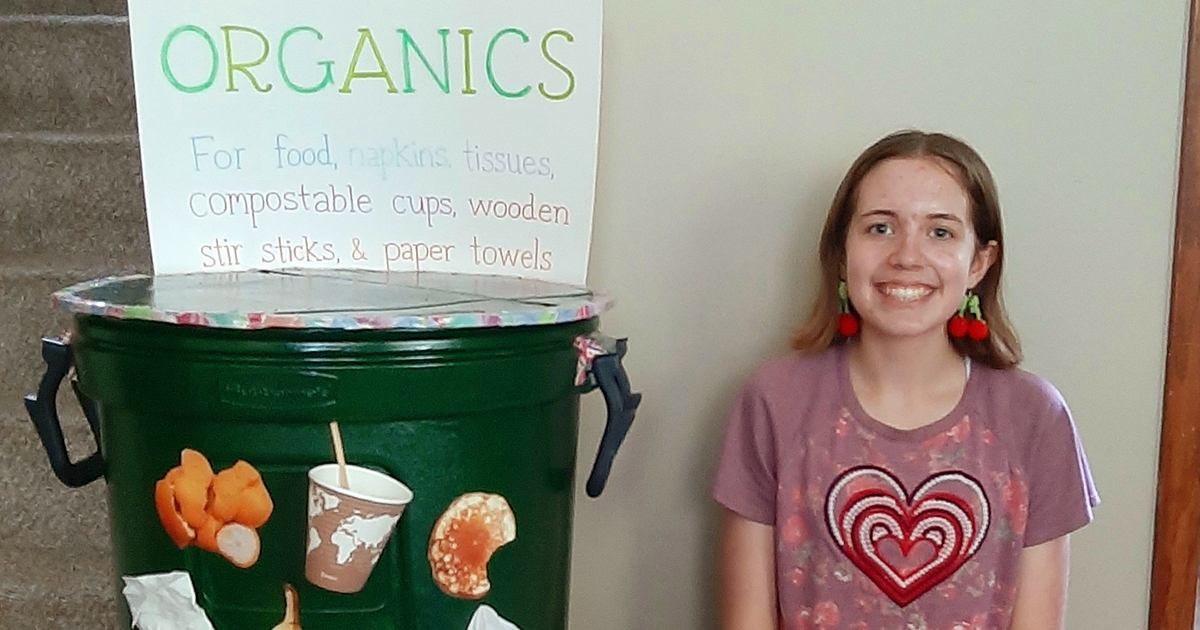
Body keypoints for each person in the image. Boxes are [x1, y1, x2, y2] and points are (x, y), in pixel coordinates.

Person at [713, 130, 1099, 630]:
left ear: (980, 261)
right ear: (841, 253)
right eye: (879, 228)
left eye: (940, 232)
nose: (907, 256)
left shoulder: (1035, 418)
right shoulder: (773, 401)